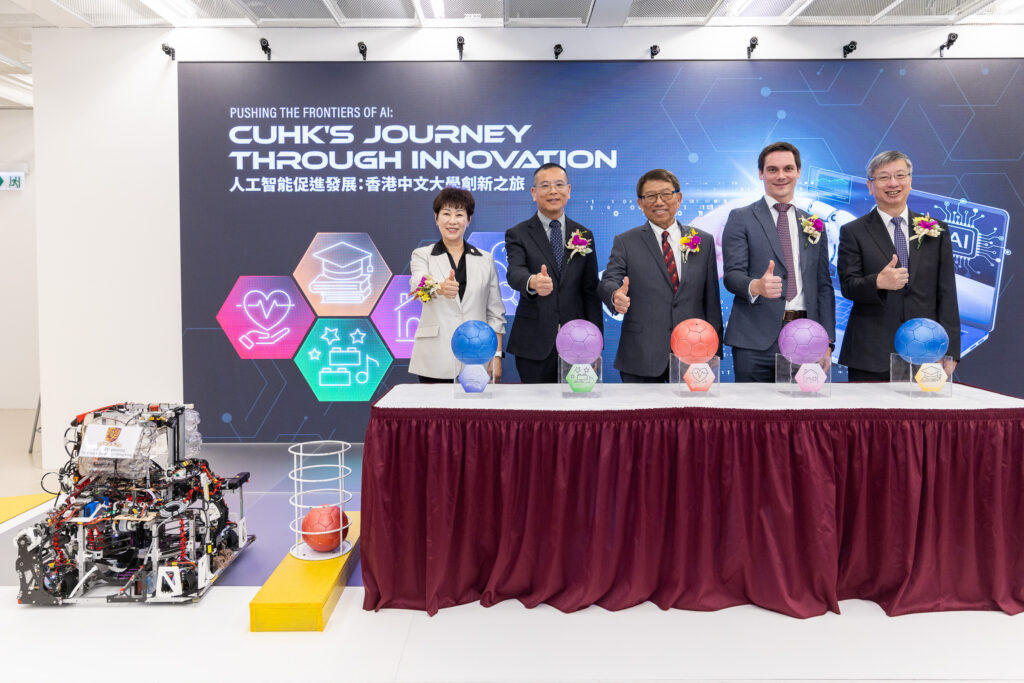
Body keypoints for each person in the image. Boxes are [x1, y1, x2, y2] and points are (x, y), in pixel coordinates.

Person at [837, 150, 960, 381]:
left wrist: (949, 349)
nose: (893, 183)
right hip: (871, 354)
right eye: (883, 177)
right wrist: (878, 282)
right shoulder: (853, 231)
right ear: (870, 186)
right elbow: (848, 285)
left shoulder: (936, 230)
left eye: (900, 175)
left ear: (910, 181)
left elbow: (947, 294)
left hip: (927, 351)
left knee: (921, 418)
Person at [722, 141, 836, 382]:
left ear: (798, 172)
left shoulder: (814, 224)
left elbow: (823, 285)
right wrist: (756, 286)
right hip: (754, 341)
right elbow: (732, 275)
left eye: (788, 168)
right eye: (772, 169)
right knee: (752, 417)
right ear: (761, 174)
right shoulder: (741, 217)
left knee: (801, 418)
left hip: (806, 339)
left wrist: (827, 341)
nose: (781, 175)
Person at [599, 169, 722, 383]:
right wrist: (614, 295)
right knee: (642, 417)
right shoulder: (626, 242)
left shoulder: (703, 241)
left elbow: (711, 301)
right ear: (640, 202)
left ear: (679, 198)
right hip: (641, 355)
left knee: (691, 416)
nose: (659, 202)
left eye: (666, 194)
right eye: (650, 196)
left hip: (694, 353)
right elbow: (610, 279)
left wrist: (714, 352)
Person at [504, 163, 603, 383]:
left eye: (559, 185)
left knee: (576, 411)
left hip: (579, 342)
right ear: (533, 192)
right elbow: (514, 272)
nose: (553, 191)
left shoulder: (584, 234)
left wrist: (595, 342)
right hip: (534, 343)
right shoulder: (518, 233)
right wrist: (532, 281)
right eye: (545, 186)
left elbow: (590, 292)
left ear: (568, 190)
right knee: (536, 412)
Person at [408, 187, 506, 383]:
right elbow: (417, 285)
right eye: (446, 214)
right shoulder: (422, 255)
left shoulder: (485, 259)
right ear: (436, 218)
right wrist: (440, 287)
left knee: (474, 414)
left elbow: (495, 313)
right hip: (434, 358)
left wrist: (496, 356)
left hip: (477, 358)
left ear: (468, 220)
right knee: (434, 414)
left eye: (459, 214)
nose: (452, 221)